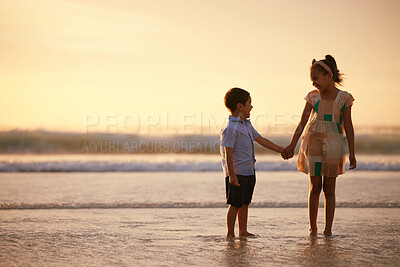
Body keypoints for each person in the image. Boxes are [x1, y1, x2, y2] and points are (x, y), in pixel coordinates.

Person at [281, 55, 356, 237]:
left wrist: (352, 153)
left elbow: (349, 126)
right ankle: (313, 229)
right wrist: (291, 145)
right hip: (313, 142)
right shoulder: (313, 97)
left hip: (334, 145)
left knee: (329, 189)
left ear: (329, 75)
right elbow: (302, 122)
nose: (314, 83)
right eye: (311, 80)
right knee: (315, 188)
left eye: (316, 79)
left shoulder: (344, 98)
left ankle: (328, 229)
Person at [220, 87, 284, 238]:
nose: (252, 107)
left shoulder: (247, 125)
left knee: (244, 203)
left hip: (249, 170)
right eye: (250, 103)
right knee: (235, 204)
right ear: (240, 106)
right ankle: (230, 233)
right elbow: (228, 153)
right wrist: (232, 175)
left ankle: (243, 231)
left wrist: (281, 150)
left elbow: (261, 140)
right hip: (237, 173)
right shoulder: (230, 128)